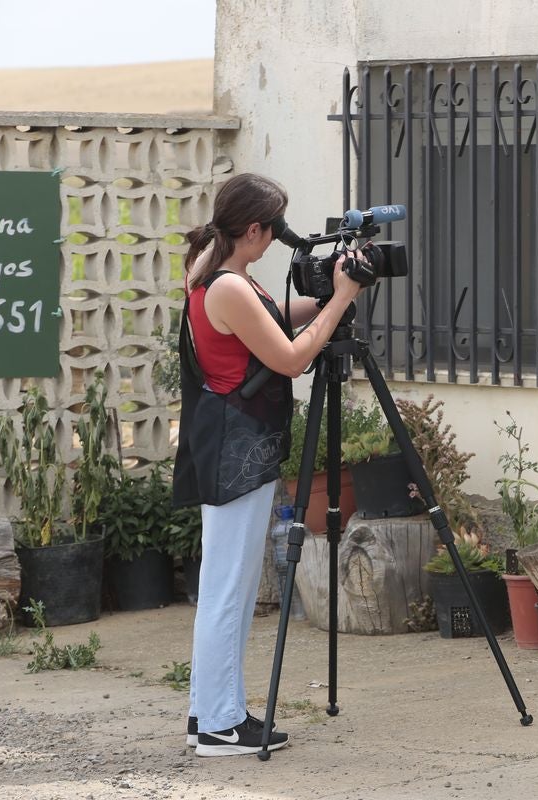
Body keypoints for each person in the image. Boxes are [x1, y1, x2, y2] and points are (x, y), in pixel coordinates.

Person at [171, 173, 362, 757]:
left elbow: (275, 313)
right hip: (237, 449)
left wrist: (330, 291)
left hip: (230, 444)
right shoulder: (227, 286)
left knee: (222, 583)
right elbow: (292, 356)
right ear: (251, 229)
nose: (279, 238)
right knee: (231, 588)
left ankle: (209, 711)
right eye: (273, 228)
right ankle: (221, 726)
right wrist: (345, 301)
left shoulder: (217, 268)